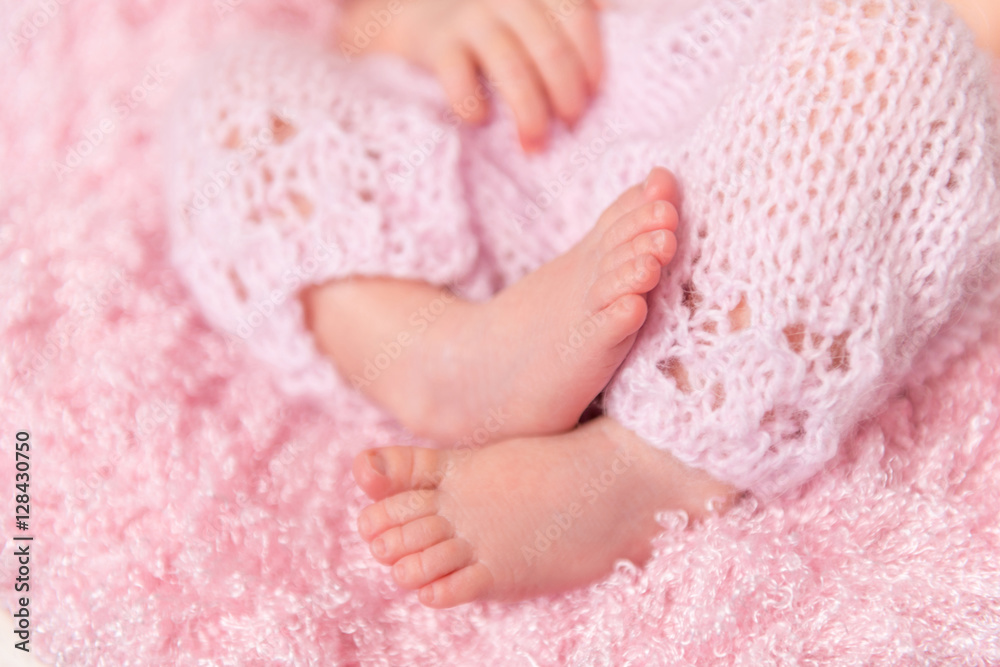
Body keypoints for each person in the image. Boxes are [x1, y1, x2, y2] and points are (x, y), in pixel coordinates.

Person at [165, 0, 1000, 608]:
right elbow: (361, 33)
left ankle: (647, 467)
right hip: (481, 177)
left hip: (738, 251)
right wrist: (427, 23)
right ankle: (444, 362)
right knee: (240, 85)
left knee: (903, 51)